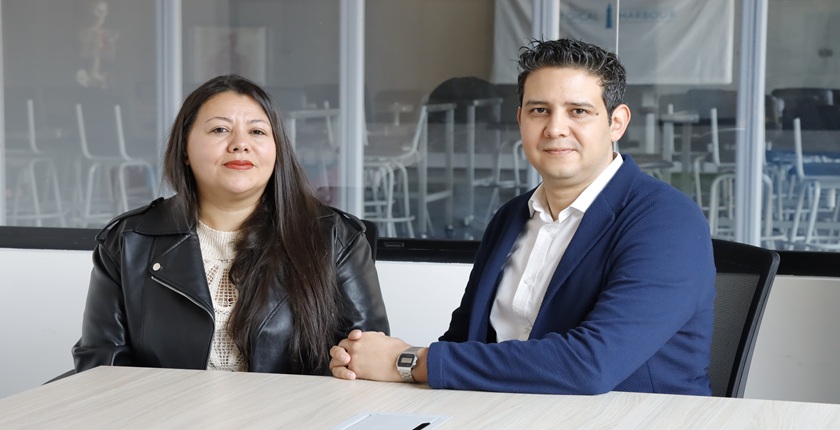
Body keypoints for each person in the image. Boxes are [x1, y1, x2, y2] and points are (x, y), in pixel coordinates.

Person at [329, 39, 715, 395]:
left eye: (578, 111)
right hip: (509, 412)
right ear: (520, 119)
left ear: (617, 122)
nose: (555, 128)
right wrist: (364, 360)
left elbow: (591, 364)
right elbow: (463, 341)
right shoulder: (511, 217)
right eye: (539, 110)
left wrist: (407, 362)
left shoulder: (667, 221)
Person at [73, 74, 389, 375]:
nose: (240, 144)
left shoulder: (334, 238)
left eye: (257, 132)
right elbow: (102, 364)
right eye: (219, 130)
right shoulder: (128, 241)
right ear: (185, 149)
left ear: (277, 150)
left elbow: (368, 361)